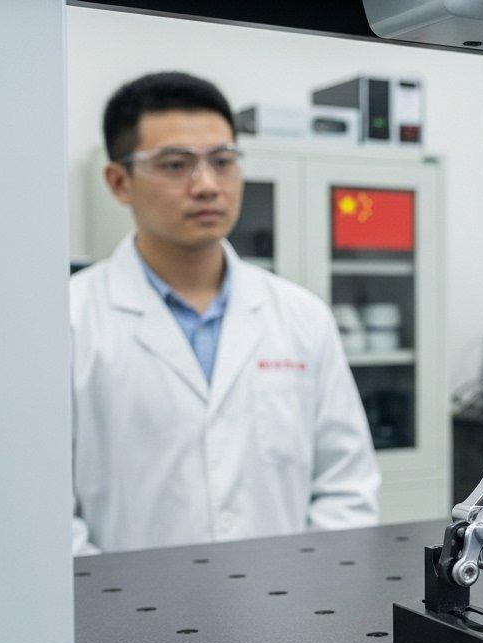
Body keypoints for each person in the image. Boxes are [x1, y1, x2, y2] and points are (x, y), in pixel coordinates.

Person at [70, 72, 380, 553]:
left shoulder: (301, 316)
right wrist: (108, 606)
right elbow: (44, 508)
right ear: (119, 181)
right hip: (120, 615)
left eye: (223, 161)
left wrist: (314, 590)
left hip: (286, 608)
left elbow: (346, 485)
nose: (207, 185)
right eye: (176, 165)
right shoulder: (66, 322)